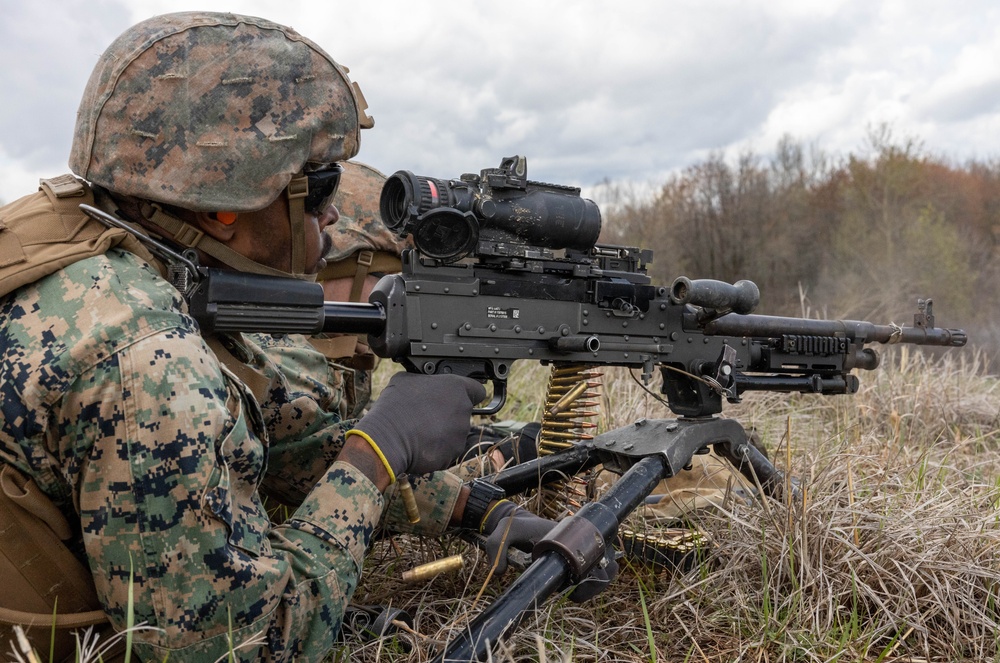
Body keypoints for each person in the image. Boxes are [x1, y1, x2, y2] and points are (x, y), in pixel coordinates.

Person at [0, 12, 595, 662]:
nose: (335, 214)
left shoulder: (107, 239)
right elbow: (245, 644)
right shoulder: (144, 352)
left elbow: (290, 439)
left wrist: (470, 505)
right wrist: (379, 449)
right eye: (320, 188)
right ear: (224, 207)